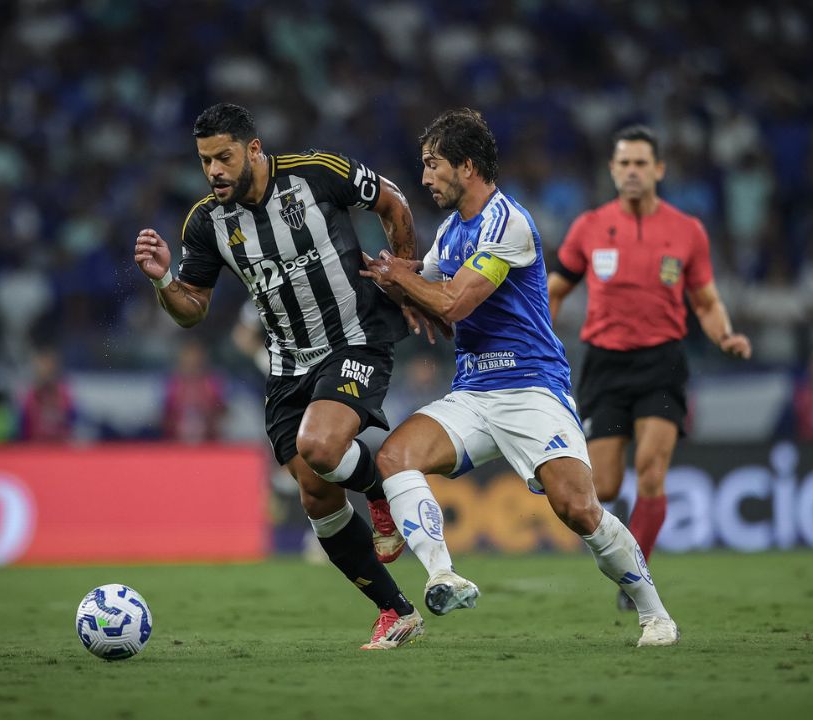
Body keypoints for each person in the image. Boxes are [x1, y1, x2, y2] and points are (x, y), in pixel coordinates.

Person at [362, 108, 680, 646]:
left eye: (434, 165)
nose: (425, 177)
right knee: (394, 457)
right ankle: (442, 576)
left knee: (578, 509)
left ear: (466, 166)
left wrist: (405, 279)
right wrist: (381, 277)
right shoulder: (451, 231)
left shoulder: (506, 222)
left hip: (532, 388)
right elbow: (421, 286)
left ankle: (655, 614)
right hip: (473, 394)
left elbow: (454, 302)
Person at [133, 103, 442, 649]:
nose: (214, 171)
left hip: (355, 339)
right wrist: (163, 282)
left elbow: (392, 201)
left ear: (253, 149)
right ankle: (396, 611)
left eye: (224, 157)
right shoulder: (206, 222)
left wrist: (402, 275)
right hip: (287, 366)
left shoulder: (317, 173)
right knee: (317, 496)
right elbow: (193, 309)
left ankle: (380, 491)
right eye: (205, 161)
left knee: (320, 446)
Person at [547, 124, 751, 609]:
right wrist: (538, 343)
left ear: (659, 169)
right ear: (612, 170)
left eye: (641, 163)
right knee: (605, 484)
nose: (633, 171)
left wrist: (724, 334)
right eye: (625, 163)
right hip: (605, 365)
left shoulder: (687, 231)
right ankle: (625, 561)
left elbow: (706, 301)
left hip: (662, 362)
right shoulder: (589, 227)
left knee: (651, 472)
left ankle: (634, 576)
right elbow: (554, 290)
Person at [161, 340, 227, 443]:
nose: (192, 362)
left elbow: (221, 412)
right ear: (182, 359)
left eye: (196, 358)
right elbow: (165, 415)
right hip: (176, 441)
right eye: (189, 357)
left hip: (209, 440)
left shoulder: (212, 383)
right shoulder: (172, 383)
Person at [17, 346, 77, 442]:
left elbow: (72, 423)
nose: (46, 370)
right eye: (43, 365)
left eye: (49, 365)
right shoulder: (29, 396)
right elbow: (23, 430)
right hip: (36, 446)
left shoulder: (64, 394)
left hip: (61, 445)